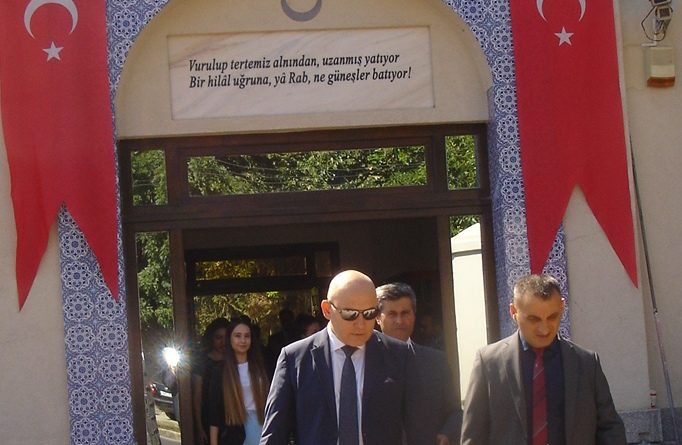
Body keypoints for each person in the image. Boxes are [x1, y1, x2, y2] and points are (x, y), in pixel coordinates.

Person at [460, 273, 627, 445]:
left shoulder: (586, 363)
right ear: (514, 312)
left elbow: (610, 429)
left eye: (552, 317)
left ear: (562, 307)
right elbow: (474, 435)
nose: (544, 329)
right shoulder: (489, 364)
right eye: (533, 319)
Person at [260, 270, 420, 445]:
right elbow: (274, 435)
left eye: (369, 313)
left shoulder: (399, 355)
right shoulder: (295, 358)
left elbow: (419, 426)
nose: (361, 324)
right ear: (327, 310)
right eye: (350, 314)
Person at [376, 282, 461, 445]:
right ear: (378, 318)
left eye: (405, 313)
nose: (399, 321)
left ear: (414, 315)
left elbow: (455, 412)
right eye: (392, 314)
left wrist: (447, 435)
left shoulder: (435, 362)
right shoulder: (364, 362)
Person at [209, 318, 270, 445]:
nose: (243, 340)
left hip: (262, 426)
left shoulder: (261, 367)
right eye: (238, 336)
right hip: (235, 431)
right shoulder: (220, 371)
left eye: (247, 336)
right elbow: (214, 414)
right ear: (230, 339)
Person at [193, 317, 230, 445]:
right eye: (218, 337)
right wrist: (199, 427)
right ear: (211, 338)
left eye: (226, 337)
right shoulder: (202, 362)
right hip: (208, 417)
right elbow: (197, 396)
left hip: (231, 420)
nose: (223, 342)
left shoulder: (234, 361)